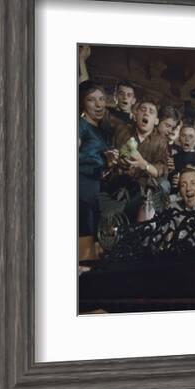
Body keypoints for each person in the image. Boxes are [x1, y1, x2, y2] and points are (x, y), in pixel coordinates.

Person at [78, 81, 116, 260]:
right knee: (85, 235)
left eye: (102, 99)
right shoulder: (79, 125)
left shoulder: (101, 131)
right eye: (92, 100)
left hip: (93, 188)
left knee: (92, 239)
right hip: (81, 186)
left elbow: (96, 162)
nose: (99, 104)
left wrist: (107, 163)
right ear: (82, 103)